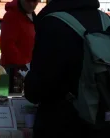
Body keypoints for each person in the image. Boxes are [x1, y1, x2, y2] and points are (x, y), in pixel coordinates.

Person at [24, 0, 110, 138]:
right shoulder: (105, 20)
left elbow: (38, 86)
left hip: (62, 122)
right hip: (102, 118)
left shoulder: (53, 23)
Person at [0, 0, 38, 93]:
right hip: (13, 72)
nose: (32, 4)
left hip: (27, 71)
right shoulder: (11, 16)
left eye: (36, 1)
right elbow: (7, 46)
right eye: (28, 1)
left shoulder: (32, 16)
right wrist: (25, 64)